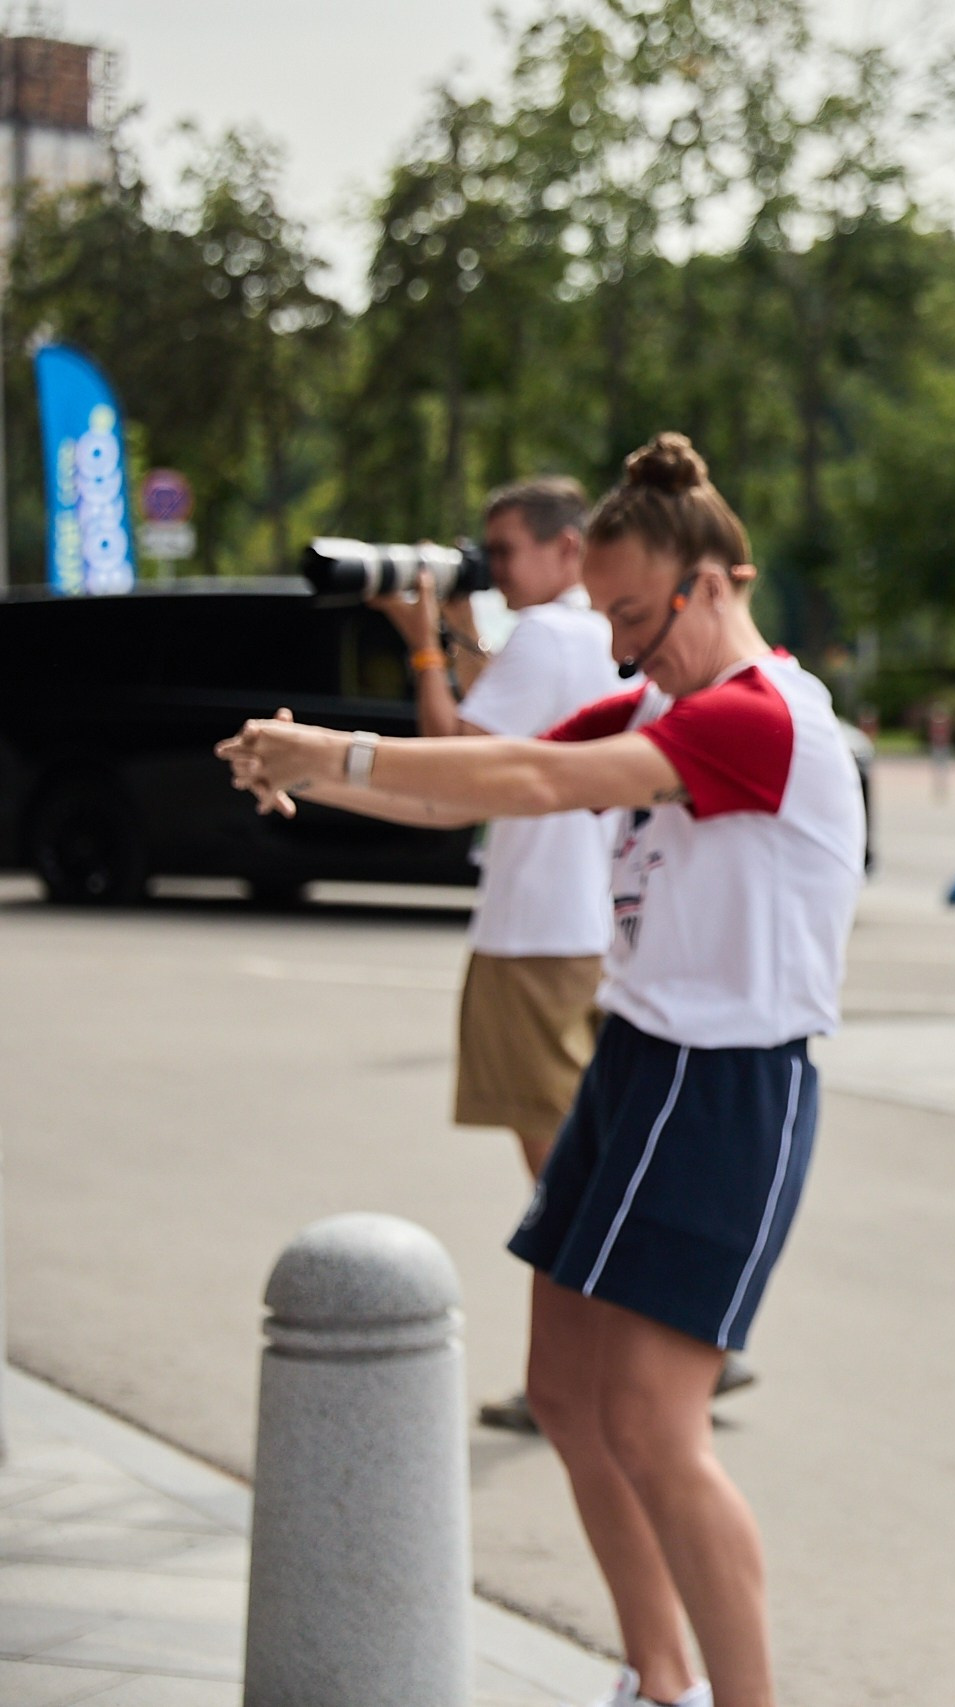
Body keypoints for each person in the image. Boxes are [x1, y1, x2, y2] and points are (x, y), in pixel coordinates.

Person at [221, 432, 863, 1707]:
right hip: (637, 1055)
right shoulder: (663, 698)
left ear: (719, 579)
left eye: (639, 618)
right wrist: (311, 760)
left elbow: (533, 770)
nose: (626, 650)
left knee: (655, 1429)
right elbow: (471, 795)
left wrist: (336, 759)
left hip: (727, 1084)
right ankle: (659, 1680)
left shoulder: (762, 717)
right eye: (612, 621)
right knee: (569, 1401)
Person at [366, 478, 637, 1434]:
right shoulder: (593, 634)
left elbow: (453, 766)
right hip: (590, 922)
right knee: (582, 1151)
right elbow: (513, 715)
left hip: (534, 930)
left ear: (569, 550)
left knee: (558, 1166)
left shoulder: (552, 637)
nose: (495, 566)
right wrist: (465, 628)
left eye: (507, 549)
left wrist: (424, 642)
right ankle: (654, 1345)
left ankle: (599, 1363)